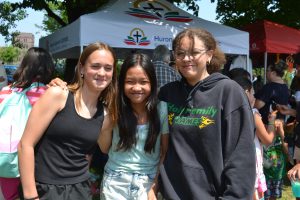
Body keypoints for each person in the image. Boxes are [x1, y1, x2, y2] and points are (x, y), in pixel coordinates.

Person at [158, 28, 256, 199]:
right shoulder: (167, 93)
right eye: (180, 53)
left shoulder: (229, 92)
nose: (187, 58)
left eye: (194, 52)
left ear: (209, 54)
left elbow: (241, 157)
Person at [18, 42, 118, 200]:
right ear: (82, 68)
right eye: (95, 66)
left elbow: (104, 149)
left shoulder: (105, 115)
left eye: (108, 68)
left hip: (80, 190)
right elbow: (25, 145)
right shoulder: (58, 95)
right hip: (44, 188)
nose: (102, 72)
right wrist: (31, 195)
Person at [98, 53, 169, 200]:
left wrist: (154, 186)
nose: (137, 87)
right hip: (115, 182)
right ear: (122, 83)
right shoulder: (114, 107)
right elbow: (104, 148)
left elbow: (164, 152)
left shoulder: (162, 109)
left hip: (148, 183)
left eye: (143, 82)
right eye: (130, 81)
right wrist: (107, 121)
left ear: (152, 83)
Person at [0, 47, 55, 200]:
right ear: (48, 68)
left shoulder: (5, 91)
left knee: (10, 196)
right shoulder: (46, 93)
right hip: (35, 160)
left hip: (4, 158)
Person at [233, 77, 282, 200]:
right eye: (252, 93)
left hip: (235, 169)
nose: (254, 97)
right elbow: (268, 140)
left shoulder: (227, 112)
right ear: (246, 92)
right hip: (251, 168)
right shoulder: (252, 113)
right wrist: (271, 122)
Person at [254, 60, 289, 124]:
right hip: (279, 123)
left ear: (273, 73)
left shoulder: (269, 87)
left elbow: (258, 104)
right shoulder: (285, 87)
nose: (266, 73)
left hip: (267, 123)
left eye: (267, 71)